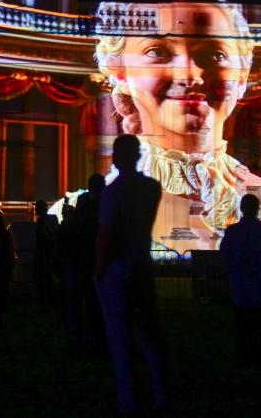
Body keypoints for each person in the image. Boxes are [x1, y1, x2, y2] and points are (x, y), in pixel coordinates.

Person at [95, 1, 261, 251]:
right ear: (120, 72)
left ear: (242, 77)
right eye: (157, 52)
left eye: (215, 55)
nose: (189, 76)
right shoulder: (89, 207)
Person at [95, 134, 167, 416]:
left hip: (117, 269)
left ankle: (129, 401)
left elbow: (106, 235)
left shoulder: (112, 192)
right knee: (150, 333)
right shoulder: (152, 188)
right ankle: (161, 394)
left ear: (115, 158)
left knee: (120, 336)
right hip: (142, 265)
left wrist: (98, 269)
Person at [219, 193, 261, 366]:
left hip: (240, 287)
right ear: (257, 208)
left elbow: (224, 254)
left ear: (241, 209)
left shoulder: (233, 232)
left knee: (244, 328)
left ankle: (245, 357)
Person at [68, 173, 106, 352]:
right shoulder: (103, 207)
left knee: (77, 305)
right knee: (95, 305)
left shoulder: (83, 205)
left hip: (81, 261)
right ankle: (97, 340)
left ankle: (77, 340)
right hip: (96, 261)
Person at [32, 199, 58, 309]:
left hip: (45, 254)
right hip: (45, 254)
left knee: (44, 279)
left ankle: (45, 302)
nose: (35, 209)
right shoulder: (49, 220)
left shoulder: (44, 221)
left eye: (37, 207)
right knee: (45, 279)